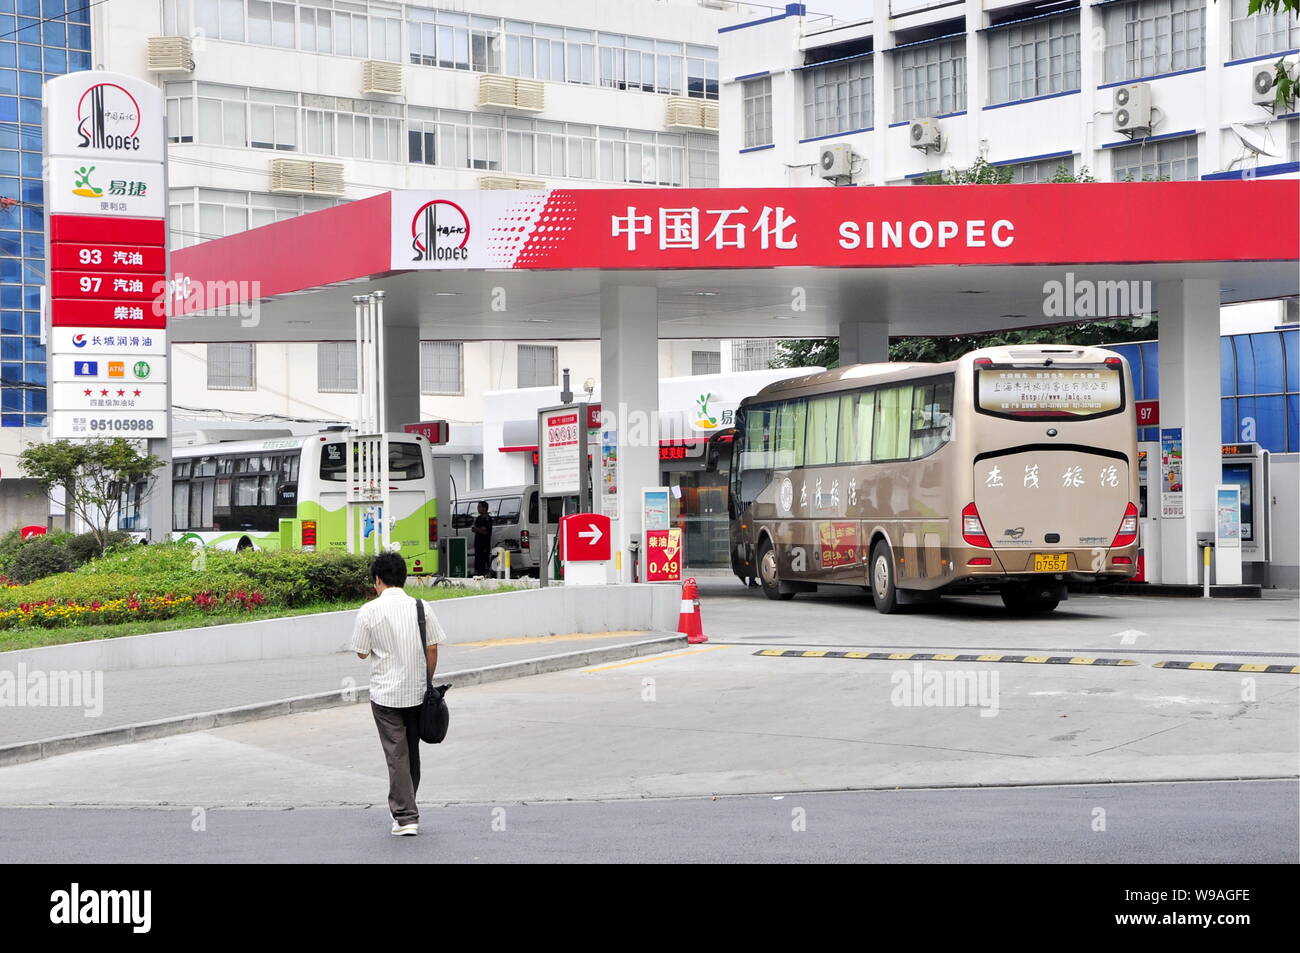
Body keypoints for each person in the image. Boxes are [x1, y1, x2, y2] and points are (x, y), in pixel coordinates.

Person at [351, 551, 447, 836]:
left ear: (378, 580)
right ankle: (406, 809)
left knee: (396, 753)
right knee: (410, 752)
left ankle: (406, 817)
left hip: (385, 695)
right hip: (416, 692)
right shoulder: (421, 607)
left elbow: (361, 652)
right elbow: (432, 647)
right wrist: (426, 680)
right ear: (403, 578)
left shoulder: (369, 611)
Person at [471, 501, 493, 576]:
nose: (478, 508)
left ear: (484, 508)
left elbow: (485, 531)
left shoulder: (488, 519)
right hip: (477, 544)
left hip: (485, 544)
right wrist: (479, 529)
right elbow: (473, 528)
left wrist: (478, 530)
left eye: (479, 507)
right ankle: (477, 573)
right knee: (477, 560)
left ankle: (485, 574)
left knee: (484, 559)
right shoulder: (478, 518)